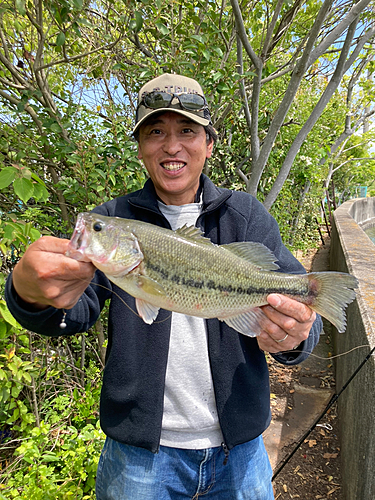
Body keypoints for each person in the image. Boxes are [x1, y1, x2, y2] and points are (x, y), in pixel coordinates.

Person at [5, 74, 322, 499]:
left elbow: (297, 319)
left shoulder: (246, 216)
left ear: (208, 144)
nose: (172, 146)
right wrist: (28, 294)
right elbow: (71, 312)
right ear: (140, 148)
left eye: (187, 131)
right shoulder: (114, 219)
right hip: (139, 460)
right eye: (156, 132)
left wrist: (297, 333)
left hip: (240, 454)